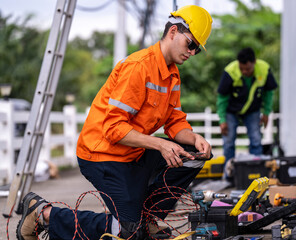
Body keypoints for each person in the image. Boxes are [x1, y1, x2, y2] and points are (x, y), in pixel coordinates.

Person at [17, 5, 213, 240]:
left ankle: (148, 218)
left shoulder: (172, 75)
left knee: (191, 156)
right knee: (130, 233)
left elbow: (174, 121)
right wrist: (160, 145)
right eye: (191, 44)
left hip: (133, 152)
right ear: (173, 32)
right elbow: (113, 129)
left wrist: (194, 138)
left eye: (197, 50)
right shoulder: (138, 67)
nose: (192, 53)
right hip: (102, 156)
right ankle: (44, 214)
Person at [216, 47, 278, 180]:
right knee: (229, 142)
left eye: (248, 69)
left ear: (254, 62)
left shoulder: (264, 69)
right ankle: (229, 176)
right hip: (231, 111)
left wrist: (266, 113)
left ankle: (255, 175)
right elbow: (222, 97)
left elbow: (269, 93)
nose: (244, 72)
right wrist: (222, 119)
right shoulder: (230, 71)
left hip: (252, 110)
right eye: (242, 68)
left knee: (256, 140)